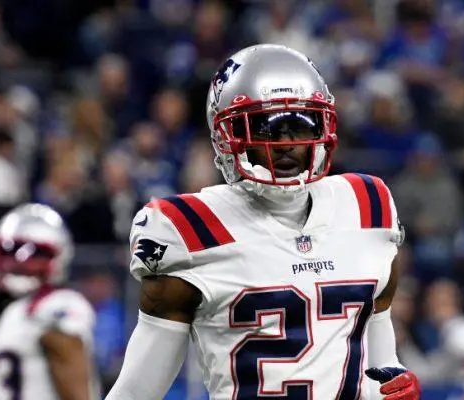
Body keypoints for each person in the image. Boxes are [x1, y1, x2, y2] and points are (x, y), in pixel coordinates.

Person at [106, 44, 421, 400]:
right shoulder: (188, 228)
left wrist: (392, 385)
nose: (285, 143)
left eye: (300, 125)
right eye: (267, 128)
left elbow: (380, 363)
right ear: (226, 136)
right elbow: (137, 391)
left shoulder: (367, 207)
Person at [0, 203, 100, 400]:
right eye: (10, 251)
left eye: (36, 254)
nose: (19, 262)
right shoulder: (8, 310)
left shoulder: (57, 303)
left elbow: (66, 359)